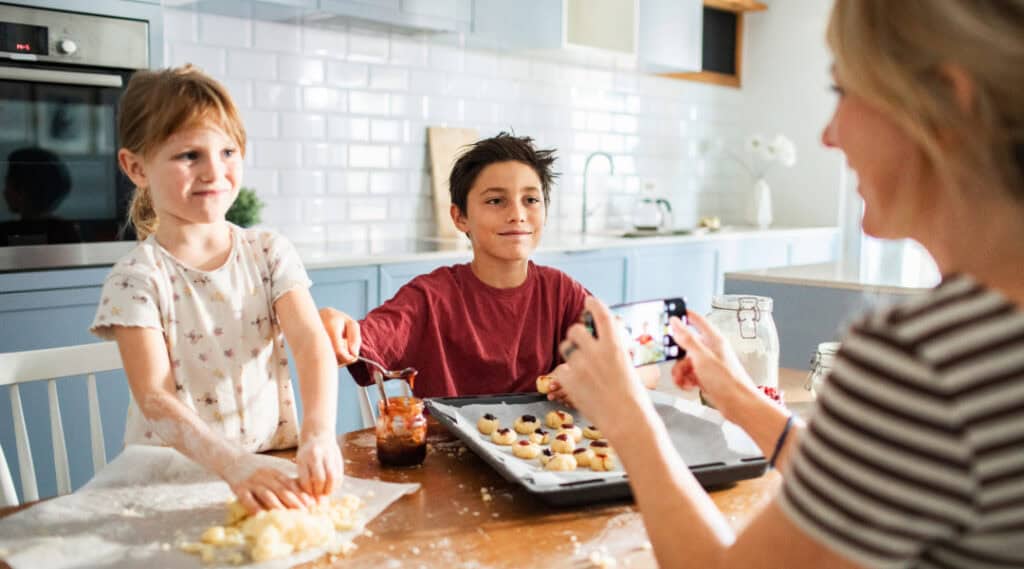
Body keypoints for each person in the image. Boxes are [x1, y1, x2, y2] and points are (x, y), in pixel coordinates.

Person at [554, 1, 1024, 567]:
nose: (829, 136)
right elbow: (867, 484)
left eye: (842, 91)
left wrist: (628, 416)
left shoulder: (925, 359)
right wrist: (735, 395)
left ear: (948, 103)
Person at [89, 65, 343, 514]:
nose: (214, 171)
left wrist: (318, 434)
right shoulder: (136, 278)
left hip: (268, 466)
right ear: (136, 167)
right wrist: (233, 463)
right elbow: (155, 397)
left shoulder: (268, 252)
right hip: (168, 486)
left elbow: (310, 345)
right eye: (189, 155)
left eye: (228, 151)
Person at [320, 133, 660, 401]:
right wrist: (337, 327)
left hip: (544, 462)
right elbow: (365, 337)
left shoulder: (561, 293)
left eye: (531, 199)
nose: (517, 214)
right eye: (496, 201)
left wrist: (585, 378)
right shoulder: (430, 298)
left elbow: (647, 369)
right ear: (460, 217)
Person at [0, 147, 82, 246]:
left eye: (8, 184)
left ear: (22, 191)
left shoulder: (5, 232)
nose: (4, 192)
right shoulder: (67, 230)